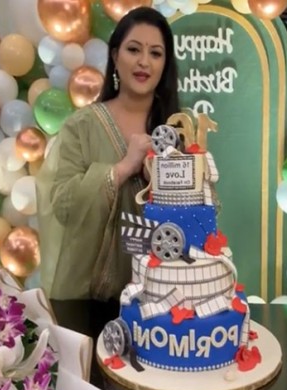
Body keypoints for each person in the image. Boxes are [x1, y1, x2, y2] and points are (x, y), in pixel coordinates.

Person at [36, 7, 180, 314]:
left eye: (155, 53)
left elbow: (199, 213)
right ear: (115, 56)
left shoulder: (179, 130)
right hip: (87, 302)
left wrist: (161, 181)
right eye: (133, 50)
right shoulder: (83, 125)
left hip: (164, 307)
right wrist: (122, 169)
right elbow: (62, 204)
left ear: (165, 64)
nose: (144, 62)